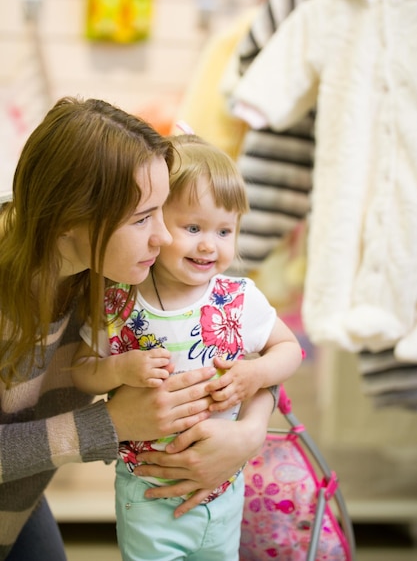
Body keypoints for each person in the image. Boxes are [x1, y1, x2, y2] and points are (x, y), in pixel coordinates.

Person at [0, 97, 281, 561]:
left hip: (20, 496)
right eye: (142, 218)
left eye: (162, 212)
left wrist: (249, 432)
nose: (165, 237)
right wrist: (109, 424)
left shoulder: (118, 273)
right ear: (70, 219)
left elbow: (251, 350)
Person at [72, 134, 303, 561]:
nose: (208, 245)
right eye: (193, 227)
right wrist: (120, 370)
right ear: (157, 227)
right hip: (148, 491)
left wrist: (256, 373)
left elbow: (289, 350)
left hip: (223, 486)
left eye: (224, 230)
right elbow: (81, 369)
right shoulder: (119, 299)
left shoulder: (238, 296)